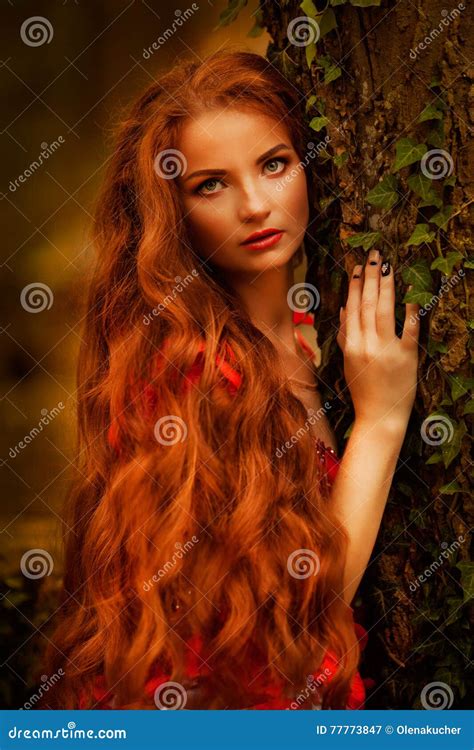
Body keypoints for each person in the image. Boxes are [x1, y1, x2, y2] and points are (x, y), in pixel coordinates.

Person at [39, 48, 419, 710]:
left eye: (274, 165)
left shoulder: (308, 339)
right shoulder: (190, 368)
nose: (254, 205)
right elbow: (299, 611)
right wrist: (382, 422)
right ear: (171, 212)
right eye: (210, 184)